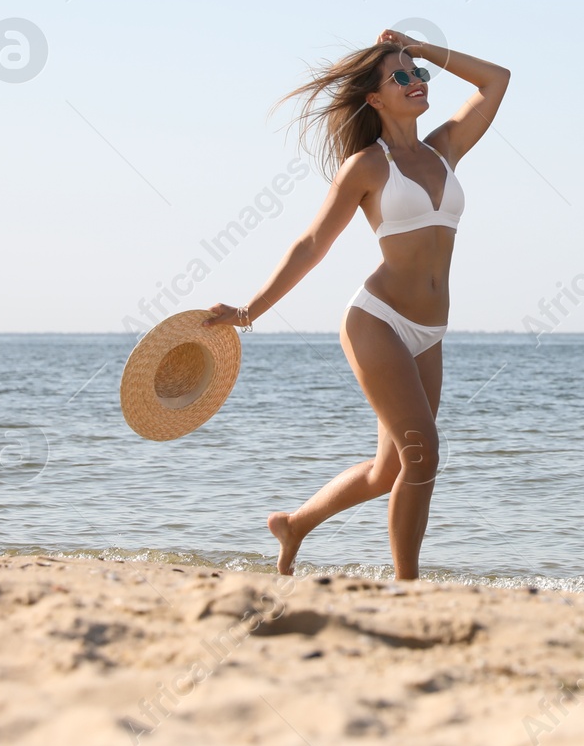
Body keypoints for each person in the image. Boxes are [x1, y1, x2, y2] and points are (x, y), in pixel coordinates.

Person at [205, 29, 510, 578]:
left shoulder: (445, 149)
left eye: (419, 74)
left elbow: (496, 81)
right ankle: (408, 587)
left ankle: (293, 525)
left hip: (428, 330)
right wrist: (250, 311)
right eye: (401, 76)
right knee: (424, 455)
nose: (416, 81)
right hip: (378, 321)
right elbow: (312, 244)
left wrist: (421, 48)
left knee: (386, 471)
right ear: (374, 98)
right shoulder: (368, 166)